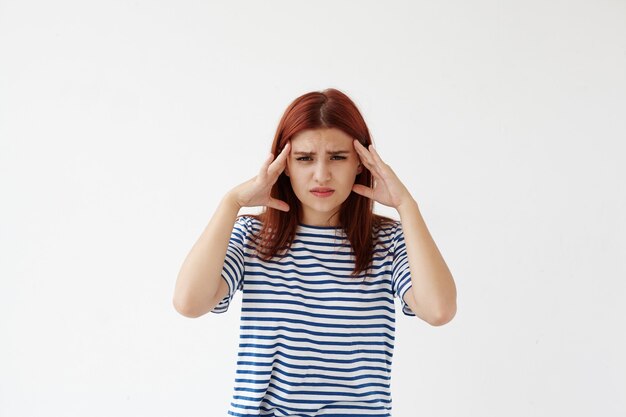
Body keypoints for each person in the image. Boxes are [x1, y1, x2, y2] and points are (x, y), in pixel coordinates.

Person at [173, 88, 457, 416]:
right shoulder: (253, 237)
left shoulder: (387, 242)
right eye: (305, 158)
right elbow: (189, 303)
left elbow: (439, 310)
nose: (321, 174)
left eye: (338, 157)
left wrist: (407, 206)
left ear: (362, 163)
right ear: (284, 164)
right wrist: (230, 203)